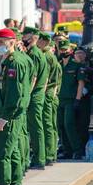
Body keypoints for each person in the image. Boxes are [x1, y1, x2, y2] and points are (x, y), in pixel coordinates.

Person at [0, 29, 34, 185]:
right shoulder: (16, 60)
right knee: (13, 156)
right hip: (15, 115)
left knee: (0, 156)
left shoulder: (14, 63)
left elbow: (15, 94)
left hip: (10, 116)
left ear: (11, 42)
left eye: (1, 42)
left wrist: (4, 118)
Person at [21, 28, 49, 171]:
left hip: (34, 96)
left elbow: (33, 77)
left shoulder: (35, 54)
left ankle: (40, 159)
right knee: (34, 127)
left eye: (25, 35)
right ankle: (39, 158)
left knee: (35, 127)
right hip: (37, 95)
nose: (23, 38)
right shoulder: (35, 52)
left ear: (33, 37)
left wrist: (27, 95)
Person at [58, 45, 88, 160]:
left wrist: (77, 99)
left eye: (65, 50)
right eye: (61, 49)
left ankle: (77, 150)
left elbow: (81, 83)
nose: (63, 52)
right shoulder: (59, 65)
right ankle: (67, 150)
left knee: (69, 124)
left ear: (70, 51)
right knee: (61, 125)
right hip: (60, 99)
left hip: (71, 100)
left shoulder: (76, 65)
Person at [39, 33, 61, 167]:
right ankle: (51, 153)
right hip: (50, 94)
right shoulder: (50, 56)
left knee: (47, 124)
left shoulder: (46, 56)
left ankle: (49, 154)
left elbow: (45, 79)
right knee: (51, 125)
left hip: (47, 94)